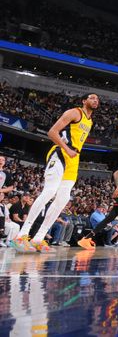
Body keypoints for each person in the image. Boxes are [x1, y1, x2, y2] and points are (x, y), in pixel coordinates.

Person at [12, 93, 99, 253]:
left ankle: (39, 238)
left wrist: (72, 152)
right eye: (92, 97)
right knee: (50, 191)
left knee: (63, 199)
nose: (95, 100)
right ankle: (22, 235)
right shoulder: (75, 112)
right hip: (60, 153)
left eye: (97, 99)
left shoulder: (90, 121)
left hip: (74, 158)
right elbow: (52, 132)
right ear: (84, 100)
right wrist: (66, 148)